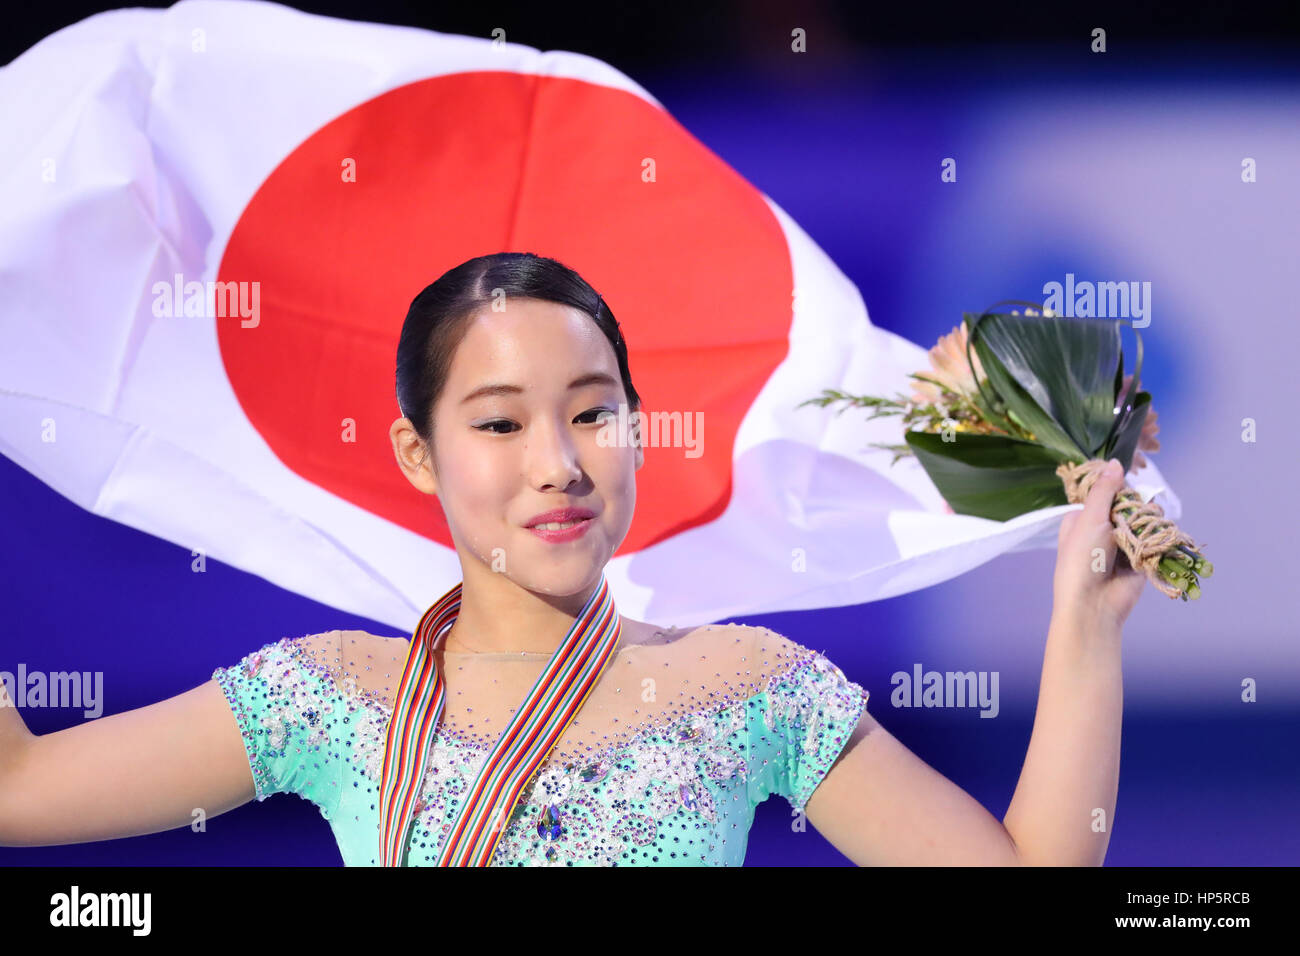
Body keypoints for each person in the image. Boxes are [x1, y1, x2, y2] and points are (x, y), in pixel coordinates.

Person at [0, 252, 1145, 866]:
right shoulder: (331, 695)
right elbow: (18, 790)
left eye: (593, 413)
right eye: (499, 423)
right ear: (416, 449)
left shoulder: (746, 686)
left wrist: (1083, 623)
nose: (558, 462)